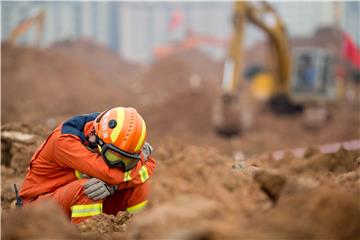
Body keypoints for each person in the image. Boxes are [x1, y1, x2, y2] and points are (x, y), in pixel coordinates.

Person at [19, 107, 156, 223]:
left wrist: (114, 187)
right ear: (96, 138)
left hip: (72, 202)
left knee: (139, 186)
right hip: (36, 210)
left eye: (127, 161)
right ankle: (88, 234)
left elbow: (150, 165)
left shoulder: (115, 135)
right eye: (113, 157)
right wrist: (142, 157)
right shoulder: (64, 142)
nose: (119, 165)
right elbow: (109, 174)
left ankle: (138, 230)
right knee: (90, 189)